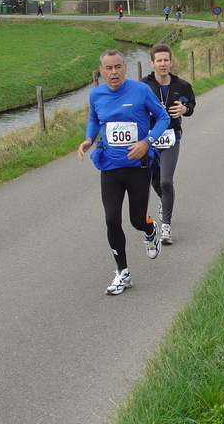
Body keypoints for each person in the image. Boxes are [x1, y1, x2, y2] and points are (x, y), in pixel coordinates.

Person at [78, 49, 170, 295]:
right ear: (101, 72)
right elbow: (95, 119)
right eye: (109, 68)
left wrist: (146, 142)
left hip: (137, 167)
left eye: (118, 67)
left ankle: (150, 230)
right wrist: (89, 139)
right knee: (111, 220)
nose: (114, 72)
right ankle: (123, 273)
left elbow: (162, 118)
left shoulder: (140, 91)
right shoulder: (96, 94)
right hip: (110, 167)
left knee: (137, 220)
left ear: (125, 68)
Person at [142, 44, 196, 245]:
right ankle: (164, 201)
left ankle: (166, 227)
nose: (163, 64)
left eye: (166, 60)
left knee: (166, 181)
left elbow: (191, 105)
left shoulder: (181, 85)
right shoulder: (143, 86)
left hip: (172, 138)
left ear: (171, 62)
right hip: (150, 140)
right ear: (152, 63)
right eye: (159, 60)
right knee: (155, 180)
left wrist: (184, 109)